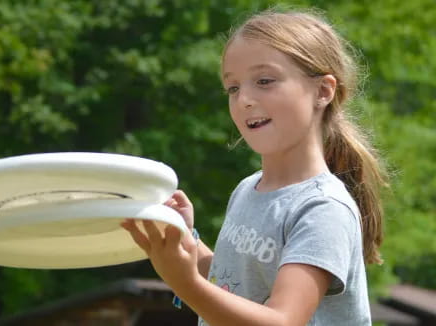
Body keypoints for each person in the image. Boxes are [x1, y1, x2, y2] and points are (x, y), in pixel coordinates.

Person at [121, 8, 388, 326]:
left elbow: (282, 320)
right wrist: (187, 241)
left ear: (323, 91)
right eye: (233, 88)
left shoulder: (323, 208)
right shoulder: (249, 188)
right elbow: (232, 281)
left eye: (264, 81)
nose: (244, 98)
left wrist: (185, 283)